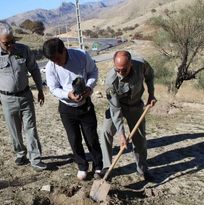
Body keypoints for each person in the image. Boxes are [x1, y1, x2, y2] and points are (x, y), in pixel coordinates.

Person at [0, 24, 47, 171]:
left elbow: (34, 69)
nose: (10, 45)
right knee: (14, 130)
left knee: (31, 129)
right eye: (6, 43)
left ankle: (35, 158)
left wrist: (40, 90)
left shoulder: (23, 50)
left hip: (25, 96)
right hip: (7, 100)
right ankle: (20, 153)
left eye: (12, 41)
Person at [43, 38, 103, 180]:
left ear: (64, 50)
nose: (56, 62)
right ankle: (82, 166)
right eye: (53, 60)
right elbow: (53, 88)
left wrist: (89, 87)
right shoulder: (51, 67)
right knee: (74, 139)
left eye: (58, 58)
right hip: (67, 108)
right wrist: (68, 95)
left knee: (92, 138)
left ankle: (98, 166)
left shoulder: (81, 55)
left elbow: (93, 72)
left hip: (85, 105)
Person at [101, 50, 157, 180]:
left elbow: (150, 75)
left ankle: (142, 169)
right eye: (117, 69)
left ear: (131, 64)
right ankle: (107, 168)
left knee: (140, 138)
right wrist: (121, 134)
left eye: (124, 70)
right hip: (118, 106)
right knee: (105, 131)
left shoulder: (141, 65)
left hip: (136, 105)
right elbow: (115, 110)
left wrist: (151, 94)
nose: (120, 73)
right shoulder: (111, 81)